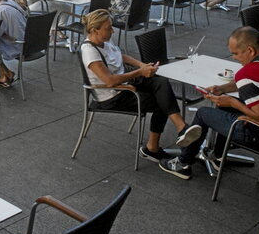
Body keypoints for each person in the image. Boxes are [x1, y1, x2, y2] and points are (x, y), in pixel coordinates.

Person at [159, 27, 259, 179]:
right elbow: (256, 85)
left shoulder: (247, 76)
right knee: (223, 106)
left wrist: (232, 103)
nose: (233, 57)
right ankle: (218, 156)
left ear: (250, 50)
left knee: (203, 113)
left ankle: (182, 163)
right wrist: (222, 88)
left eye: (236, 53)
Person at [81, 9, 202, 161]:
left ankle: (181, 128)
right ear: (94, 30)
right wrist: (139, 72)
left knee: (160, 82)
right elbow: (110, 81)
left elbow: (120, 55)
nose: (112, 31)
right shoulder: (90, 51)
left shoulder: (104, 40)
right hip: (112, 96)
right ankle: (153, 147)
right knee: (161, 101)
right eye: (108, 28)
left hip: (125, 83)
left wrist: (142, 65)